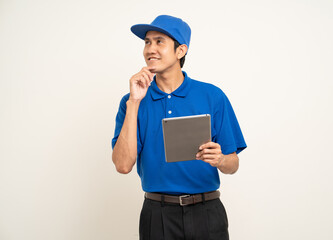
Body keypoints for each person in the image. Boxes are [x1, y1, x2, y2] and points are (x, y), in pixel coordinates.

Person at [112, 15, 247, 240]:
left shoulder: (213, 96)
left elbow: (233, 164)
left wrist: (221, 159)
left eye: (159, 41)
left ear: (180, 50)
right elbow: (123, 165)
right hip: (157, 216)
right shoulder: (131, 102)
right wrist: (134, 101)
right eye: (147, 42)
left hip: (207, 213)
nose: (150, 49)